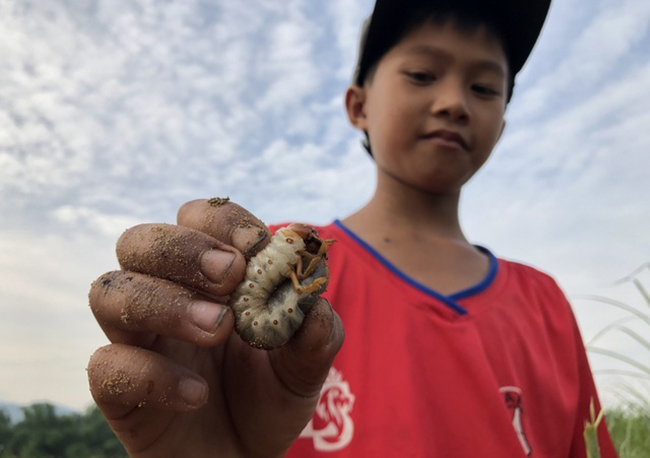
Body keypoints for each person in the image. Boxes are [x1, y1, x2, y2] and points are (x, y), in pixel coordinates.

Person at [87, 0, 617, 456]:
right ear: (357, 106)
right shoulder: (258, 254)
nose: (454, 102)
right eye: (422, 74)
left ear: (501, 126)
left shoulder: (546, 306)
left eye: (483, 86)